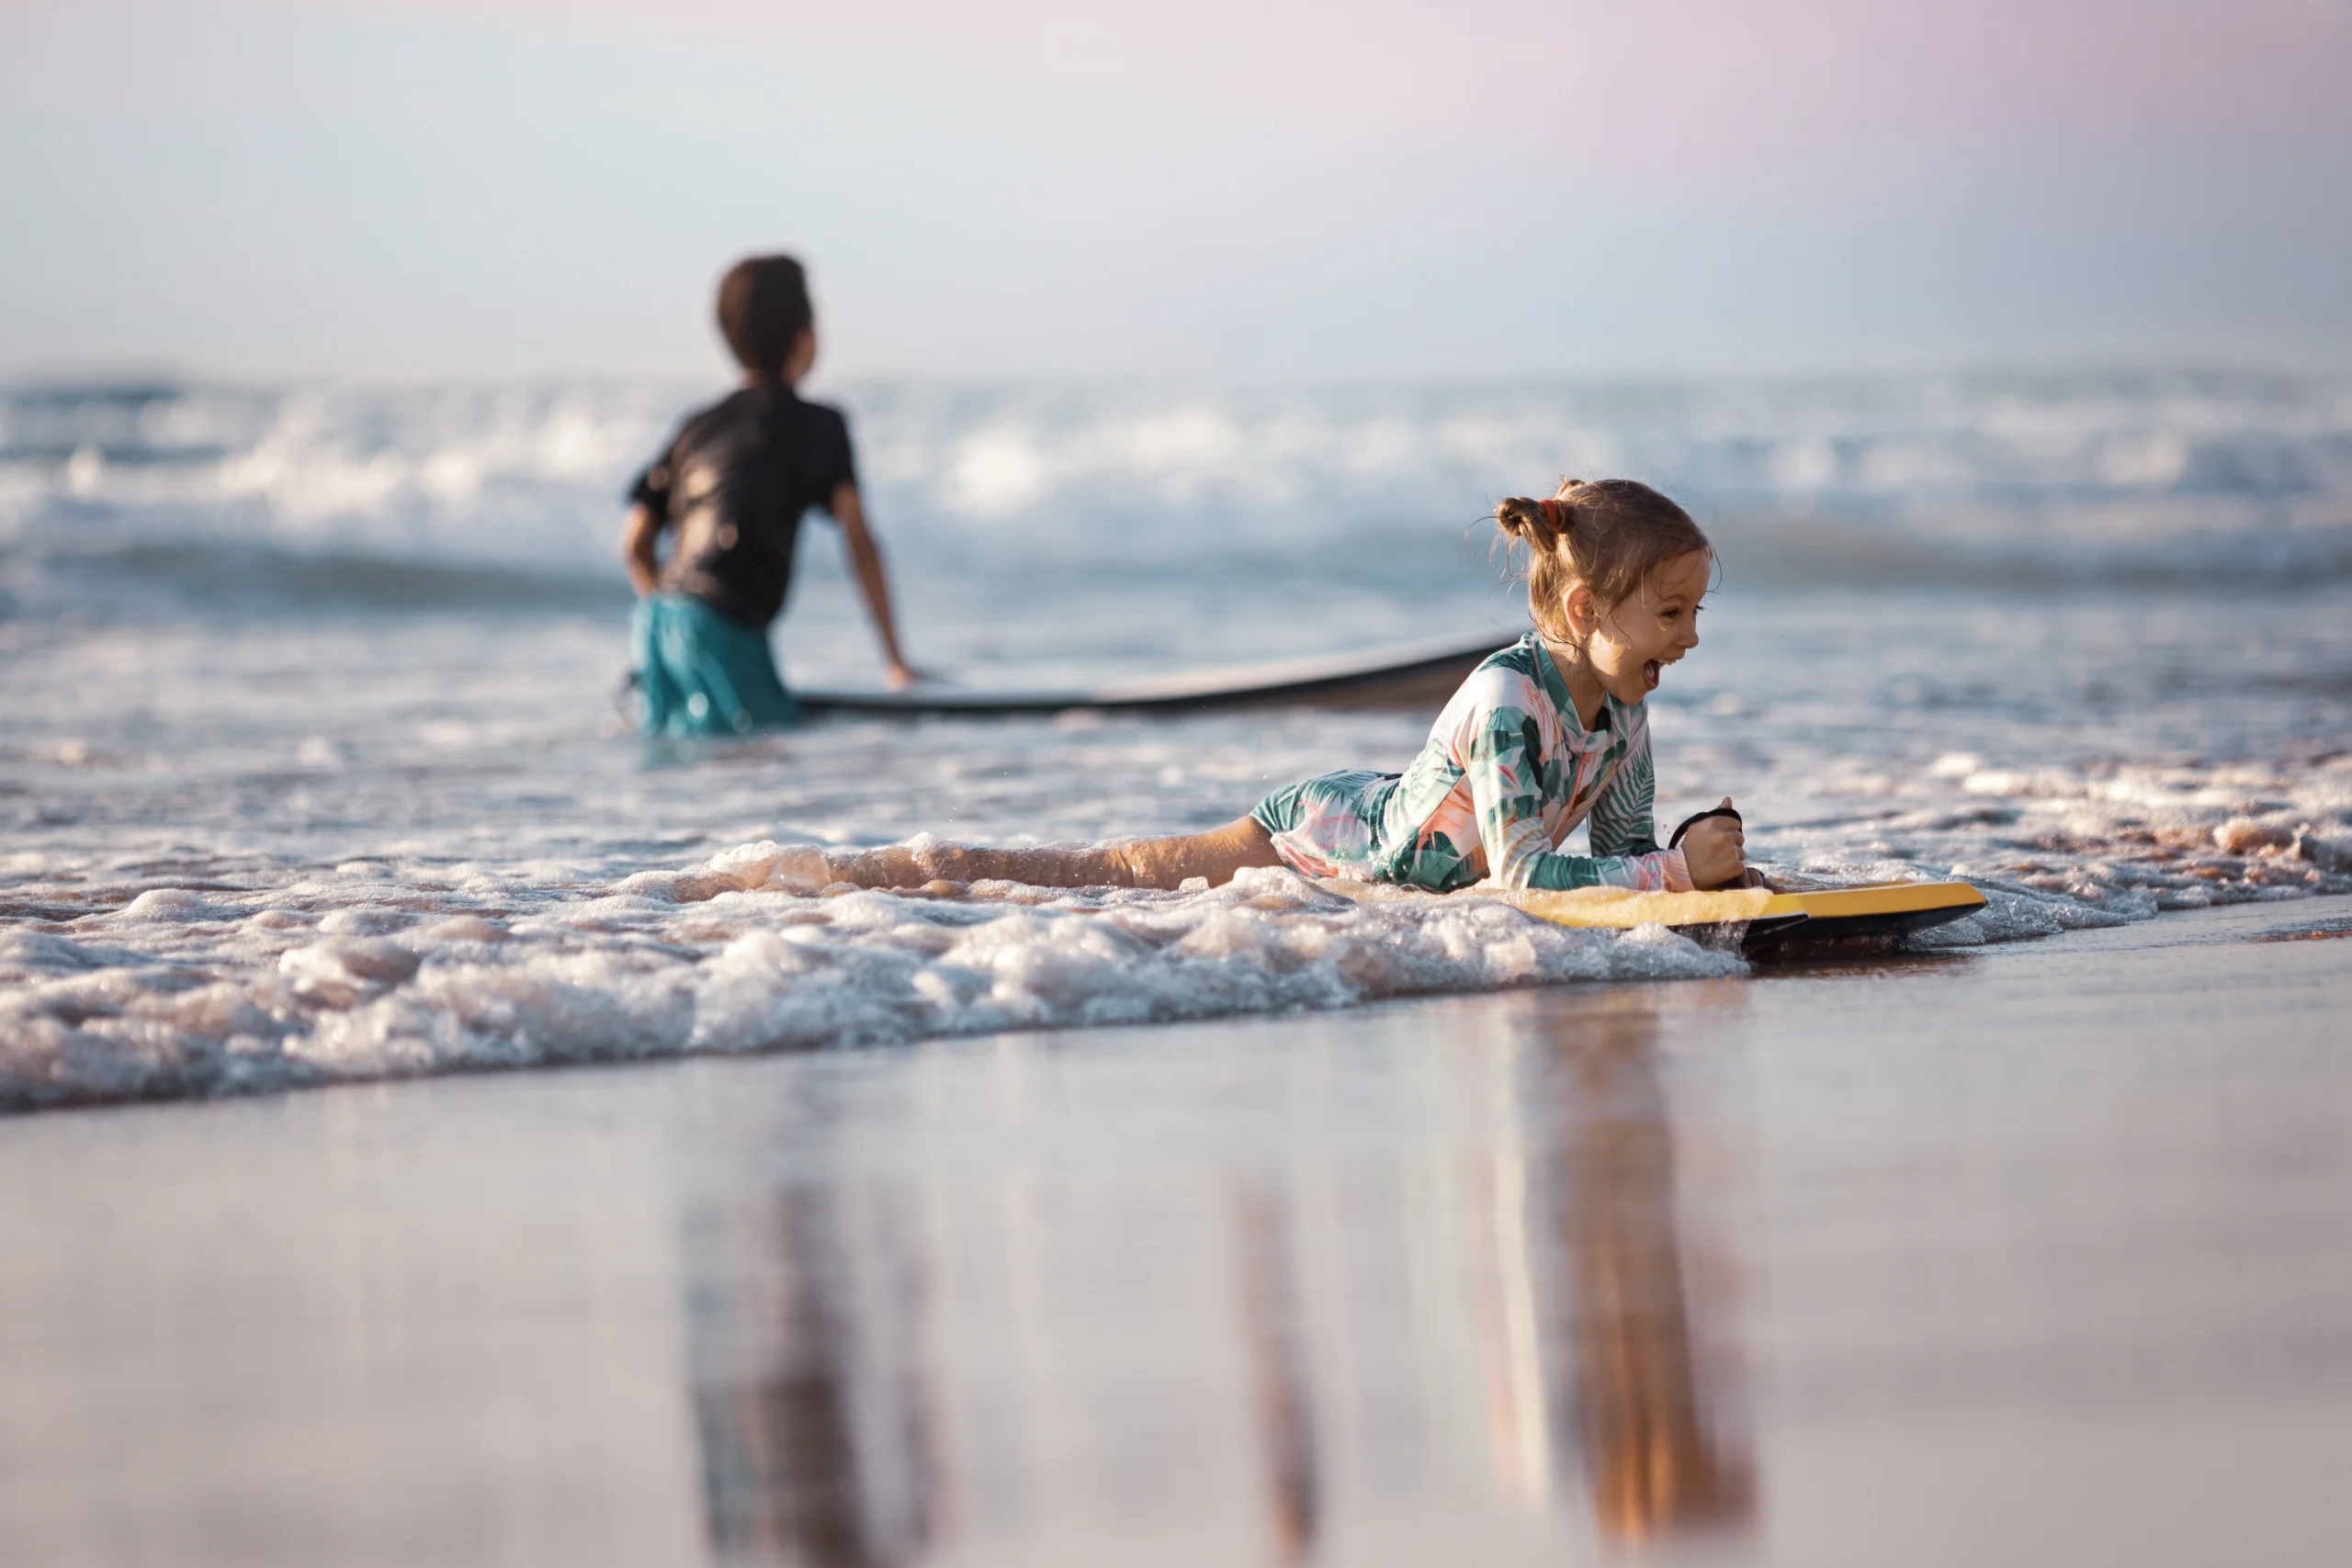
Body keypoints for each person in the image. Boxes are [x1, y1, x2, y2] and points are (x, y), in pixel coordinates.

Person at [824, 477, 1752, 894]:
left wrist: (1691, 861)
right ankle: (921, 871)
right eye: (1672, 614)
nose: (1692, 637)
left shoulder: (1624, 713)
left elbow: (1617, 851)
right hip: (1323, 836)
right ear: (1587, 610)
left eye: (1695, 614)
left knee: (1124, 873)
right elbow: (1520, 877)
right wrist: (1671, 874)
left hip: (1389, 827)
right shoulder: (1510, 700)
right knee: (1115, 875)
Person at [622, 254, 919, 736]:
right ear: (806, 340)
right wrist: (897, 662)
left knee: (681, 769)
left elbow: (634, 544)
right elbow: (859, 542)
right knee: (759, 762)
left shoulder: (695, 429)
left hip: (654, 625)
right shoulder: (820, 425)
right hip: (723, 626)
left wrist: (671, 617)